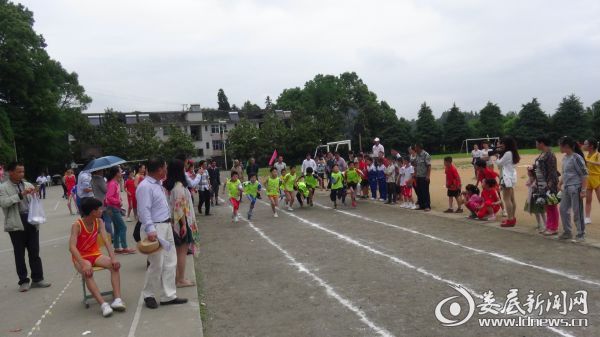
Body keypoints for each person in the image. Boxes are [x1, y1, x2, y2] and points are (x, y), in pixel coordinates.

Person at [137, 157, 188, 309]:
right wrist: (150, 230)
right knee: (156, 263)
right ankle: (148, 294)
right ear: (159, 169)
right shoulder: (145, 186)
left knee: (170, 261)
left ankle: (169, 295)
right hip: (156, 228)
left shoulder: (158, 184)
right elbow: (143, 210)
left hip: (166, 225)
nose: (166, 170)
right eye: (165, 168)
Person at [69, 197, 125, 317]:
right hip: (80, 257)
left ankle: (117, 299)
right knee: (88, 270)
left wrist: (113, 257)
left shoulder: (99, 222)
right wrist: (82, 263)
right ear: (92, 212)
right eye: (99, 209)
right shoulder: (77, 225)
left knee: (114, 265)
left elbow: (106, 240)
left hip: (95, 254)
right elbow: (72, 248)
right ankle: (103, 304)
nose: (102, 210)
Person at [0, 162, 51, 292]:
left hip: (31, 220)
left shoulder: (27, 184)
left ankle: (38, 279)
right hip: (16, 222)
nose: (22, 174)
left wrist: (35, 193)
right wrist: (20, 195)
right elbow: (4, 203)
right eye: (19, 172)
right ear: (10, 172)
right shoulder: (3, 187)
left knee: (34, 251)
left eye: (23, 171)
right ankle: (23, 281)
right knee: (19, 253)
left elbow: (35, 201)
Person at [163, 159, 198, 288]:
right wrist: (183, 224)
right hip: (182, 222)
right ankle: (180, 279)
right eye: (183, 168)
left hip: (177, 222)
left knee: (179, 252)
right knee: (181, 252)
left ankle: (178, 277)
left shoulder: (170, 185)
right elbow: (179, 208)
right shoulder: (178, 187)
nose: (185, 169)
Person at [557, 136, 588, 242]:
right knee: (563, 209)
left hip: (576, 187)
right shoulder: (565, 158)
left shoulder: (576, 158)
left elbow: (584, 174)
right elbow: (565, 173)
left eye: (560, 145)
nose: (559, 148)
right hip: (566, 187)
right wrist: (560, 183)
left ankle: (581, 234)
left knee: (577, 211)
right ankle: (567, 232)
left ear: (566, 146)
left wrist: (583, 190)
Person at [534, 136, 560, 236]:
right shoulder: (543, 153)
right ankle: (549, 226)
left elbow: (552, 171)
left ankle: (554, 227)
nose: (536, 145)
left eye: (537, 143)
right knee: (547, 205)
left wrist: (549, 184)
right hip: (541, 183)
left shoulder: (550, 154)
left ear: (542, 143)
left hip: (549, 184)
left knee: (552, 205)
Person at [105, 166, 135, 254]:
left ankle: (117, 248)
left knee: (118, 228)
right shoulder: (112, 184)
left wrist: (118, 200)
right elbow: (109, 197)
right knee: (123, 227)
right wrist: (118, 201)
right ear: (116, 173)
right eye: (120, 171)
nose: (122, 173)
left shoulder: (114, 183)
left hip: (113, 208)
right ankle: (124, 247)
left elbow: (111, 196)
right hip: (113, 208)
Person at [496, 136, 520, 227]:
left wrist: (497, 156)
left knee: (507, 199)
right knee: (512, 199)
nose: (501, 145)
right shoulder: (513, 152)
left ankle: (510, 219)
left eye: (502, 143)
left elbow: (499, 163)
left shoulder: (507, 153)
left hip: (506, 177)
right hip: (511, 177)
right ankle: (512, 218)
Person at [91, 169, 113, 236]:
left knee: (100, 220)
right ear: (98, 171)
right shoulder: (100, 179)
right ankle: (111, 236)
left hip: (96, 201)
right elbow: (105, 190)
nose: (103, 172)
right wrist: (107, 185)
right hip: (103, 201)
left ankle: (101, 235)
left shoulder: (92, 179)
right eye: (102, 171)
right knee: (107, 220)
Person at [524, 167, 547, 232]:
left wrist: (533, 183)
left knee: (541, 211)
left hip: (538, 197)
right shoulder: (530, 179)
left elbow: (535, 186)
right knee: (536, 211)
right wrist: (530, 182)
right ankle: (539, 224)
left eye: (529, 172)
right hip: (532, 198)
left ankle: (545, 224)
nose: (528, 173)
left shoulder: (537, 180)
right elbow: (528, 184)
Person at [583, 138, 600, 225]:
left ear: (591, 146)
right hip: (588, 179)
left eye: (585, 144)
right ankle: (587, 217)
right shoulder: (586, 156)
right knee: (588, 200)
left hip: (597, 179)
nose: (583, 145)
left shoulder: (597, 154)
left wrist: (588, 161)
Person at [414, 144, 432, 211]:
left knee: (425, 192)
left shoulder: (426, 155)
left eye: (415, 147)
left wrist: (428, 176)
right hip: (418, 176)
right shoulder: (417, 155)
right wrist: (415, 175)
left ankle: (427, 206)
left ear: (419, 147)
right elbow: (416, 166)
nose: (414, 148)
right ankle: (421, 205)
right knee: (419, 192)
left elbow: (429, 166)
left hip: (424, 177)